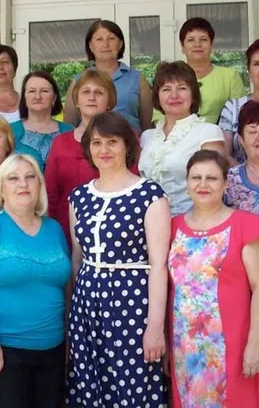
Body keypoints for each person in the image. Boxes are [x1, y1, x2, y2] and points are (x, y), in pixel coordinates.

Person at [67, 112, 170, 407]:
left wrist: (155, 326)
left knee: (132, 382)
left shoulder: (149, 194)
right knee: (90, 381)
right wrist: (75, 313)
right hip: (87, 304)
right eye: (97, 142)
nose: (104, 149)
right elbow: (77, 259)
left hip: (132, 303)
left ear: (127, 146)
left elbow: (158, 265)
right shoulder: (79, 197)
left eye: (112, 142)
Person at [0, 154, 71, 408]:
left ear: (39, 185)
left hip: (52, 351)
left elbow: (65, 287)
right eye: (13, 178)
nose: (23, 184)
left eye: (30, 177)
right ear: (1, 188)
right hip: (4, 351)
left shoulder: (54, 229)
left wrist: (68, 340)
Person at [169, 149, 259, 408]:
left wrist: (256, 343)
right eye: (196, 178)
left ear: (226, 183)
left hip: (232, 346)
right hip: (185, 347)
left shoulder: (245, 224)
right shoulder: (172, 227)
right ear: (187, 183)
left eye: (212, 178)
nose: (203, 184)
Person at [139, 61, 225, 216]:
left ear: (193, 95)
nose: (174, 95)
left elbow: (214, 186)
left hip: (192, 221)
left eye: (182, 88)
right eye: (166, 89)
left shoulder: (208, 133)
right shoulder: (147, 137)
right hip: (147, 221)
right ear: (157, 97)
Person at [45, 70, 119, 239]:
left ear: (109, 101)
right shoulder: (60, 143)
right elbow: (50, 193)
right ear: (77, 101)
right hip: (66, 228)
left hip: (113, 227)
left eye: (98, 92)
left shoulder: (124, 139)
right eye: (86, 92)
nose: (91, 97)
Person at [63, 19, 153, 132]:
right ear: (90, 46)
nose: (105, 44)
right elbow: (69, 125)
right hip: (90, 142)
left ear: (120, 44)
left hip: (130, 141)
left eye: (111, 38)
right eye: (99, 39)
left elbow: (146, 126)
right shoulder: (80, 80)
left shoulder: (137, 79)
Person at [176, 17, 247, 124]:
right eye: (191, 40)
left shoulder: (230, 77)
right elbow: (160, 118)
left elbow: (240, 115)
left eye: (203, 39)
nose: (197, 44)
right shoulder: (172, 78)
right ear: (182, 46)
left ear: (212, 45)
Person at [10, 71, 73, 172]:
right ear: (24, 98)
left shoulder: (70, 132)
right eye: (32, 91)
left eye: (44, 91)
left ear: (54, 98)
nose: (38, 97)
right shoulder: (9, 131)